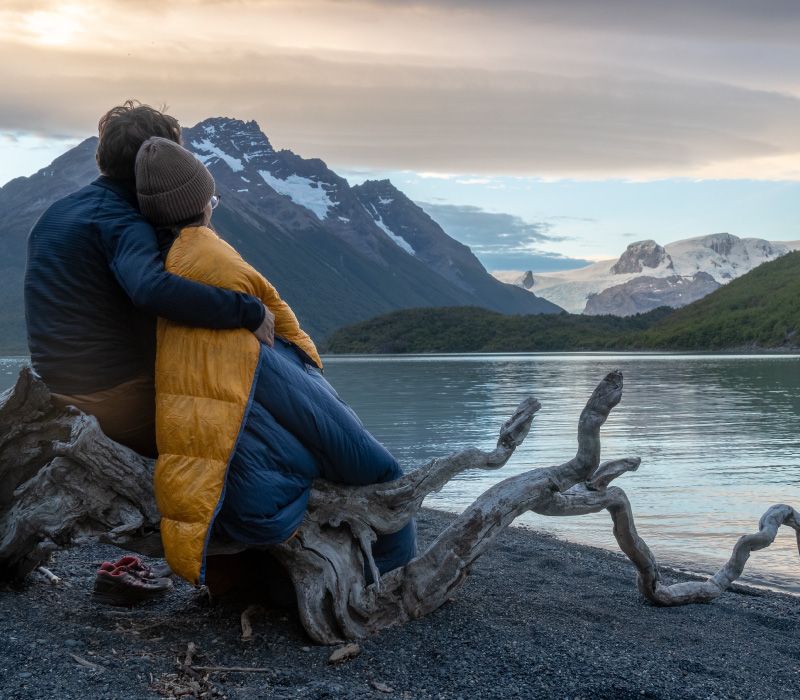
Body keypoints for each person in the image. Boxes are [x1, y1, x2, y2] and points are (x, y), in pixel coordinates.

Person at [134, 137, 416, 589]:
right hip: (261, 508)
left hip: (222, 494)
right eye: (212, 198)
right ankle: (393, 581)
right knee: (385, 476)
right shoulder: (217, 270)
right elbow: (310, 409)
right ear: (202, 205)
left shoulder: (162, 264)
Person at [24, 101, 275, 604]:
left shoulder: (60, 212)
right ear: (155, 166)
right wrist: (247, 311)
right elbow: (150, 288)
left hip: (58, 393)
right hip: (115, 398)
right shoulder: (121, 218)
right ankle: (240, 577)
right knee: (237, 442)